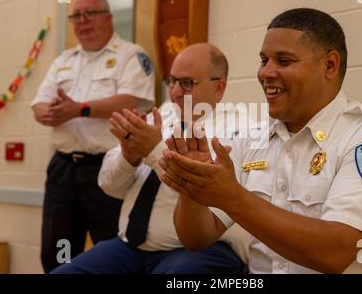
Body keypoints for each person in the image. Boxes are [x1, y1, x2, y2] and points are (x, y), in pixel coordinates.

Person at [160, 8, 362, 273]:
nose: (265, 73)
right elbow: (196, 238)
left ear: (330, 65)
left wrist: (231, 196)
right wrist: (192, 187)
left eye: (284, 61)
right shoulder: (249, 139)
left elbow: (335, 253)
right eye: (264, 60)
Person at [50, 43, 251, 274]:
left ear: (219, 88)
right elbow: (109, 186)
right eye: (172, 81)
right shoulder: (161, 114)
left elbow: (208, 191)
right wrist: (129, 155)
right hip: (128, 248)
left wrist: (153, 149)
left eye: (186, 83)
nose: (175, 92)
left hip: (199, 251)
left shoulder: (239, 131)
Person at [31, 0, 155, 273]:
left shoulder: (131, 56)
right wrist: (49, 113)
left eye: (91, 13)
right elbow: (38, 104)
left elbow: (132, 100)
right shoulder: (63, 60)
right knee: (57, 250)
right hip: (63, 169)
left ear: (109, 17)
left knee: (111, 250)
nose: (82, 21)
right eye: (76, 15)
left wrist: (80, 109)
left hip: (109, 168)